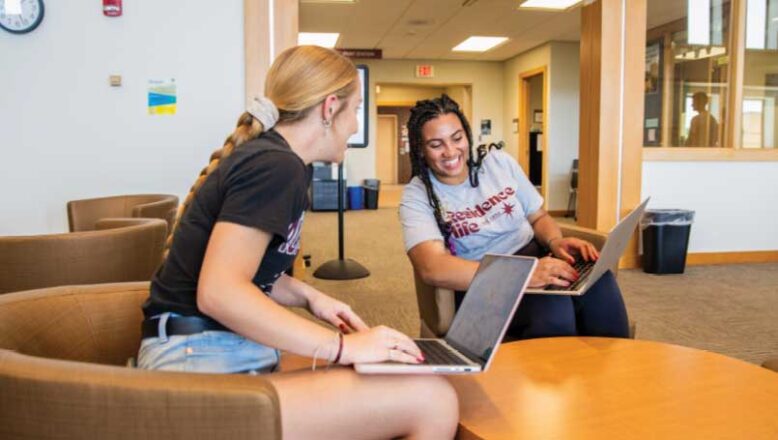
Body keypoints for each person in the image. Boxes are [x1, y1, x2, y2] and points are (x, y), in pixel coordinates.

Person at [138, 46, 458, 439]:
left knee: (379, 380)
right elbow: (219, 292)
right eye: (355, 110)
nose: (356, 126)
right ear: (329, 109)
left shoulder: (276, 162)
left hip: (204, 352)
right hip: (199, 364)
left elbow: (246, 270)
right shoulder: (277, 167)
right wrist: (341, 348)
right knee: (432, 400)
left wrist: (311, 297)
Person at [400, 94, 629, 339]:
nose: (451, 151)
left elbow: (538, 217)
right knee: (554, 308)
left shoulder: (498, 163)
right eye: (436, 144)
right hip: (486, 281)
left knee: (598, 283)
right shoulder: (418, 195)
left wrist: (554, 241)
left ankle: (612, 371)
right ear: (421, 150)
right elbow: (432, 268)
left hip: (534, 256)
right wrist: (523, 275)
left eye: (457, 138)